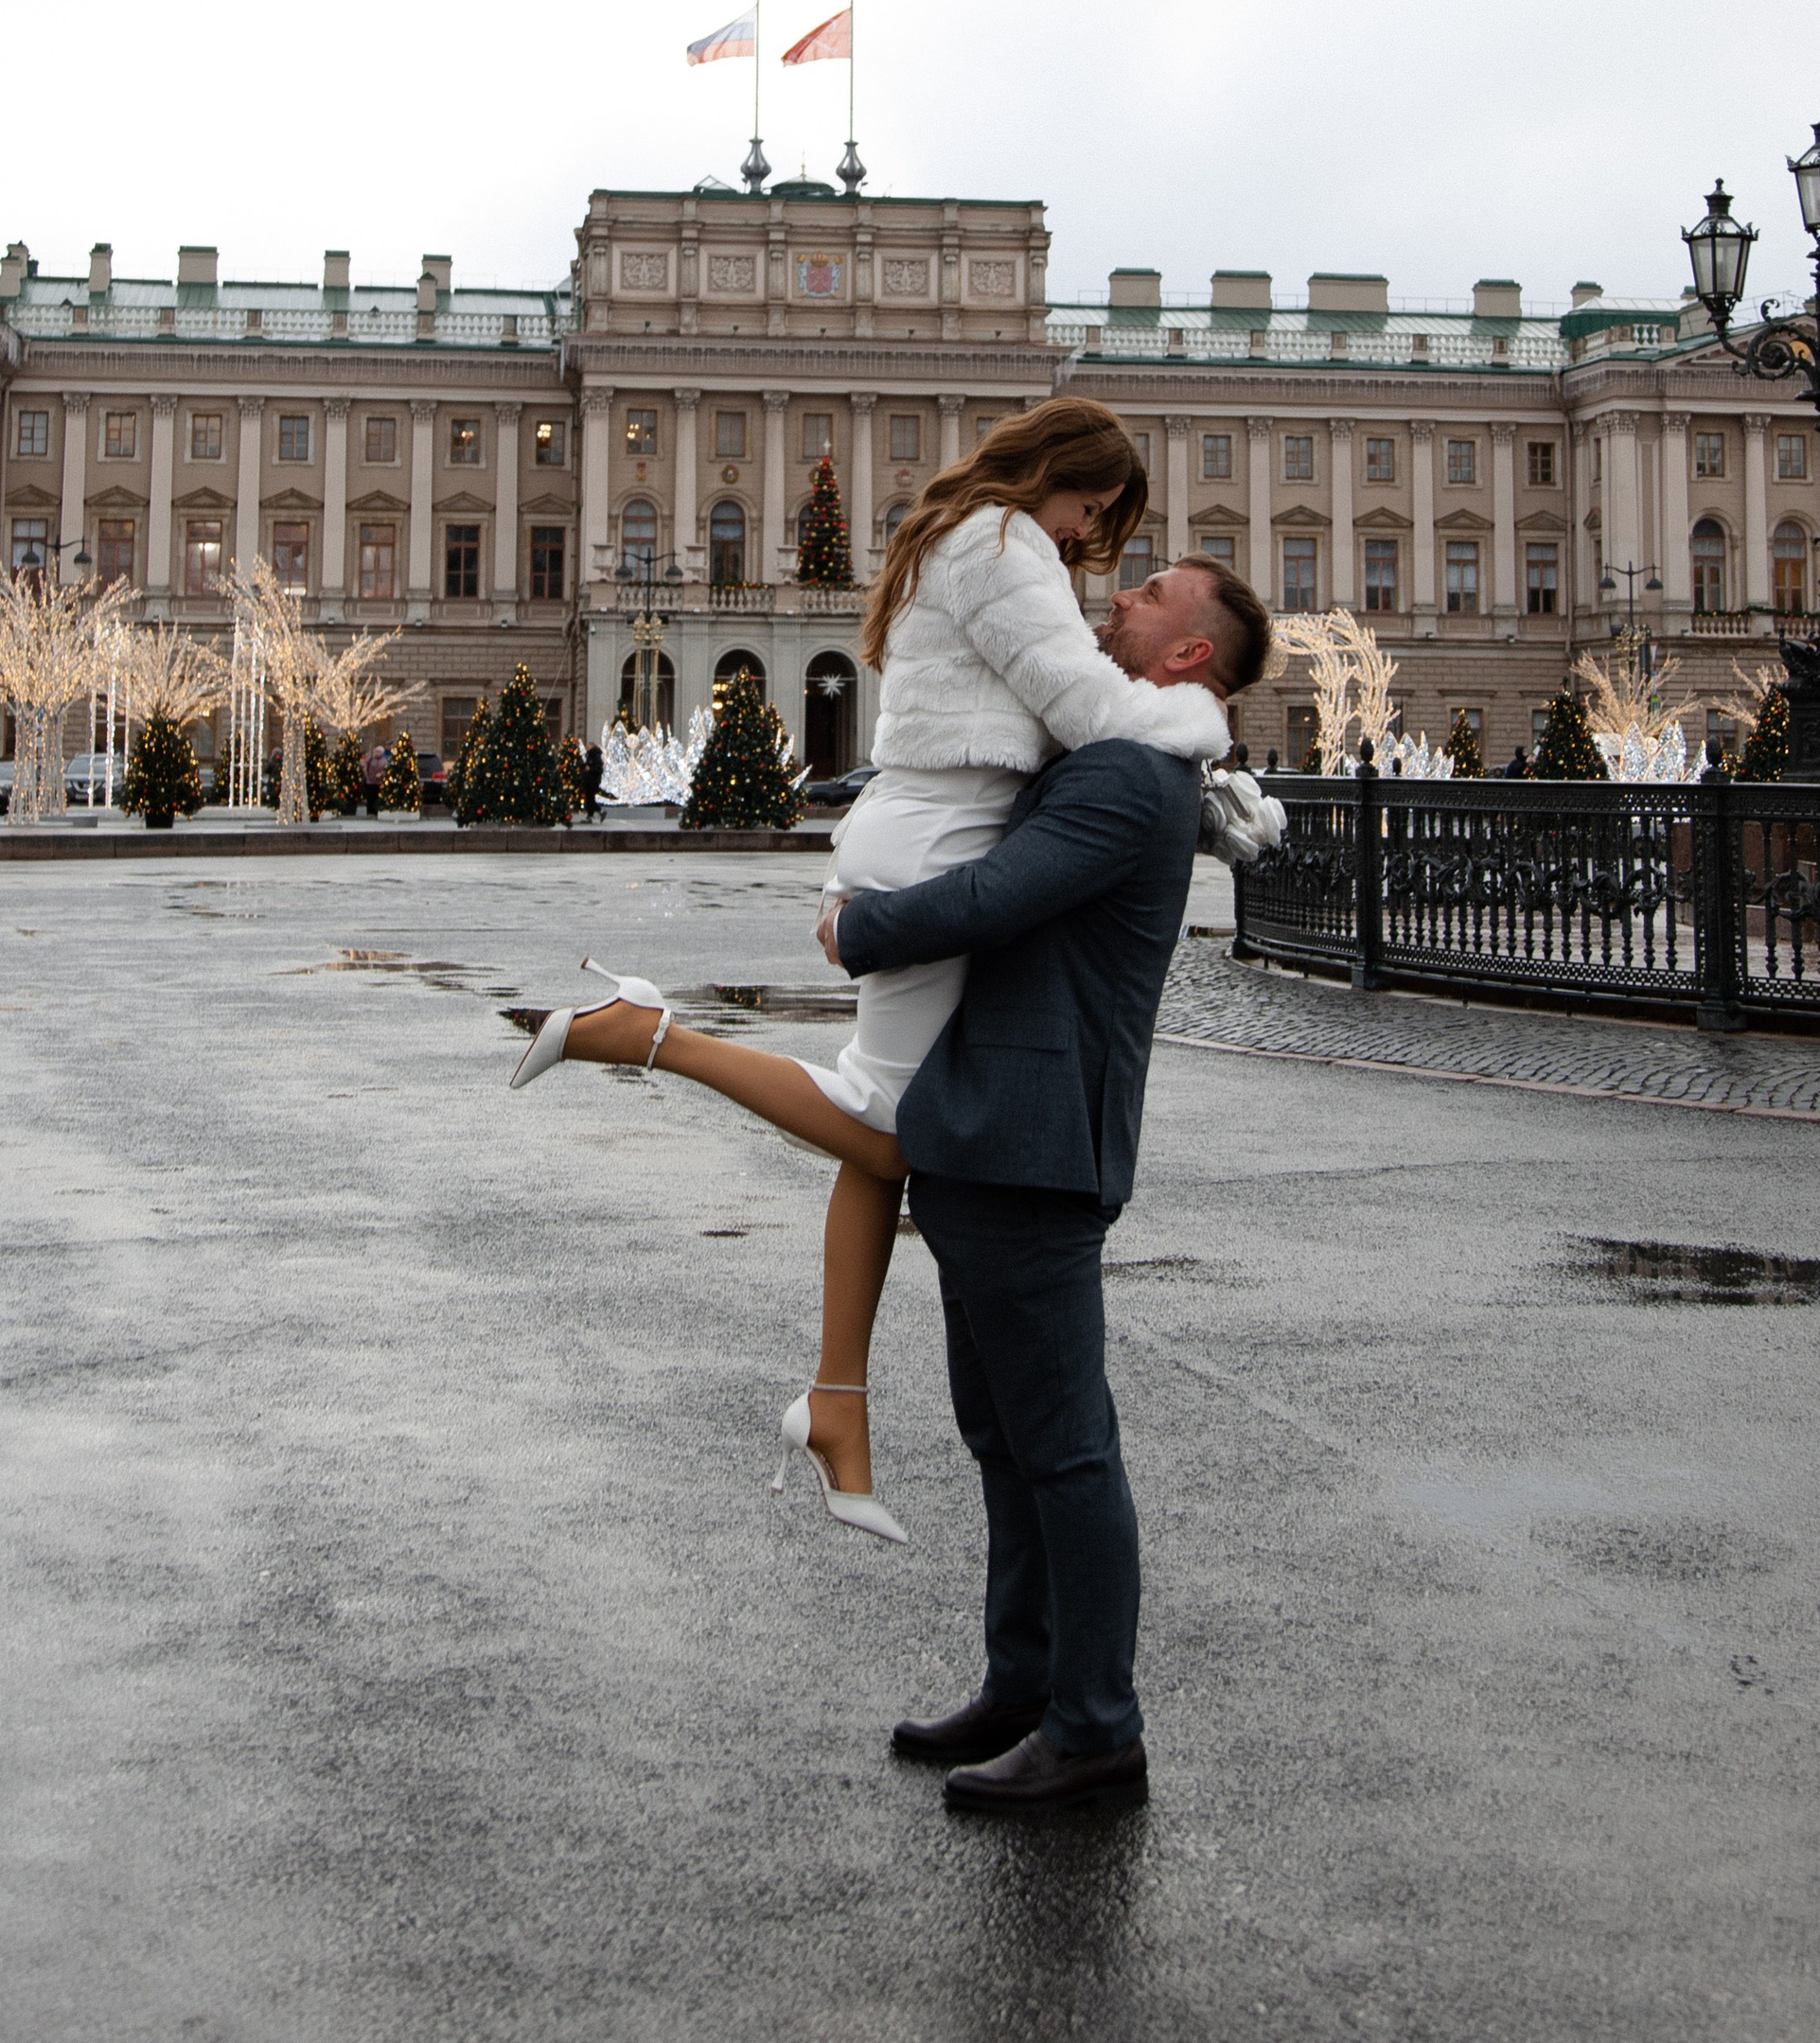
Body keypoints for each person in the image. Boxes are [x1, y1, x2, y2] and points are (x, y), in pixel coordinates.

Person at [508, 396, 1231, 1538]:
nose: (1092, 544)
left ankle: (838, 1398)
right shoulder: (1005, 543)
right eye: (1092, 510)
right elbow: (1087, 705)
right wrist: (1206, 735)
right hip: (943, 834)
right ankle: (640, 1029)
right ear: (1058, 474)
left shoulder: (974, 535)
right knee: (892, 1125)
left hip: (923, 818)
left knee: (885, 1126)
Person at [828, 549, 1271, 1811]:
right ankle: (1024, 1685)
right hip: (990, 1133)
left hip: (1035, 1141)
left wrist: (859, 929)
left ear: (1188, 655)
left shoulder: (1134, 773)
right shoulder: (1107, 750)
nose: (1119, 596)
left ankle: (1094, 1727)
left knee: (1065, 1449)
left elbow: (999, 893)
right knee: (1004, 1439)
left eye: (1151, 596)